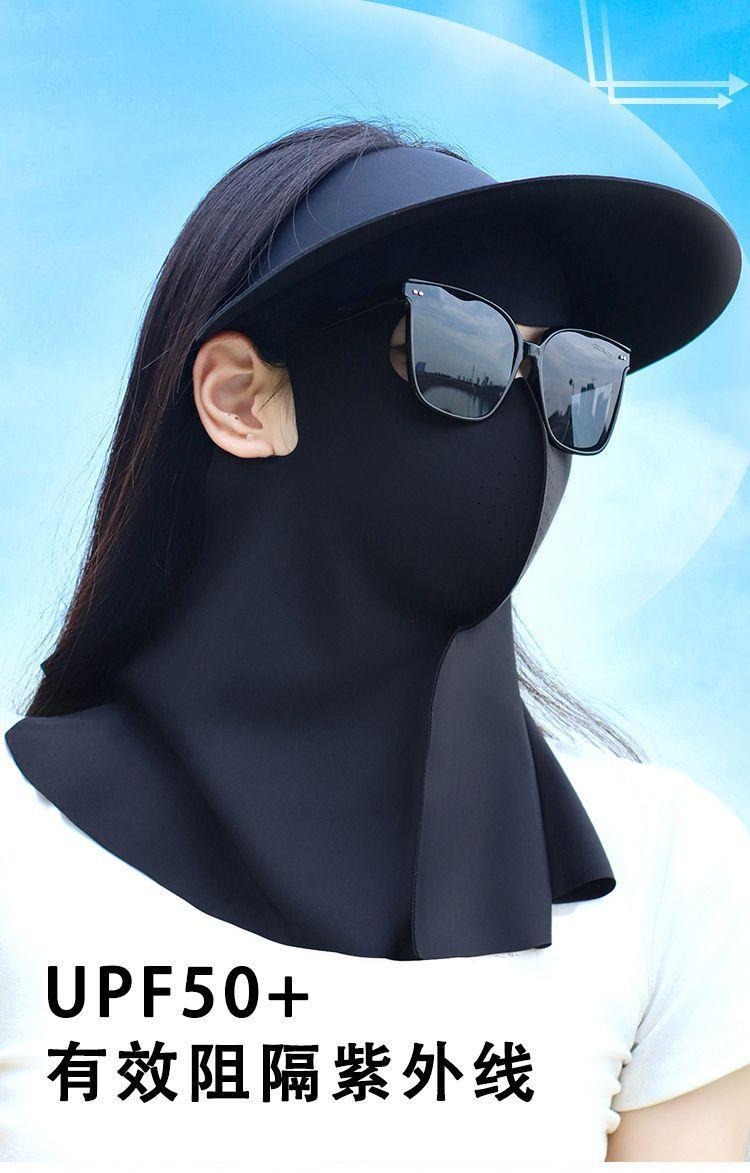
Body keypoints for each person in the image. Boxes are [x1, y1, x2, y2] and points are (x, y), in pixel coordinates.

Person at [1, 116, 748, 1163]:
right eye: (458, 349)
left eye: (572, 377)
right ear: (242, 401)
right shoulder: (20, 847)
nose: (525, 424)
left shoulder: (666, 867)